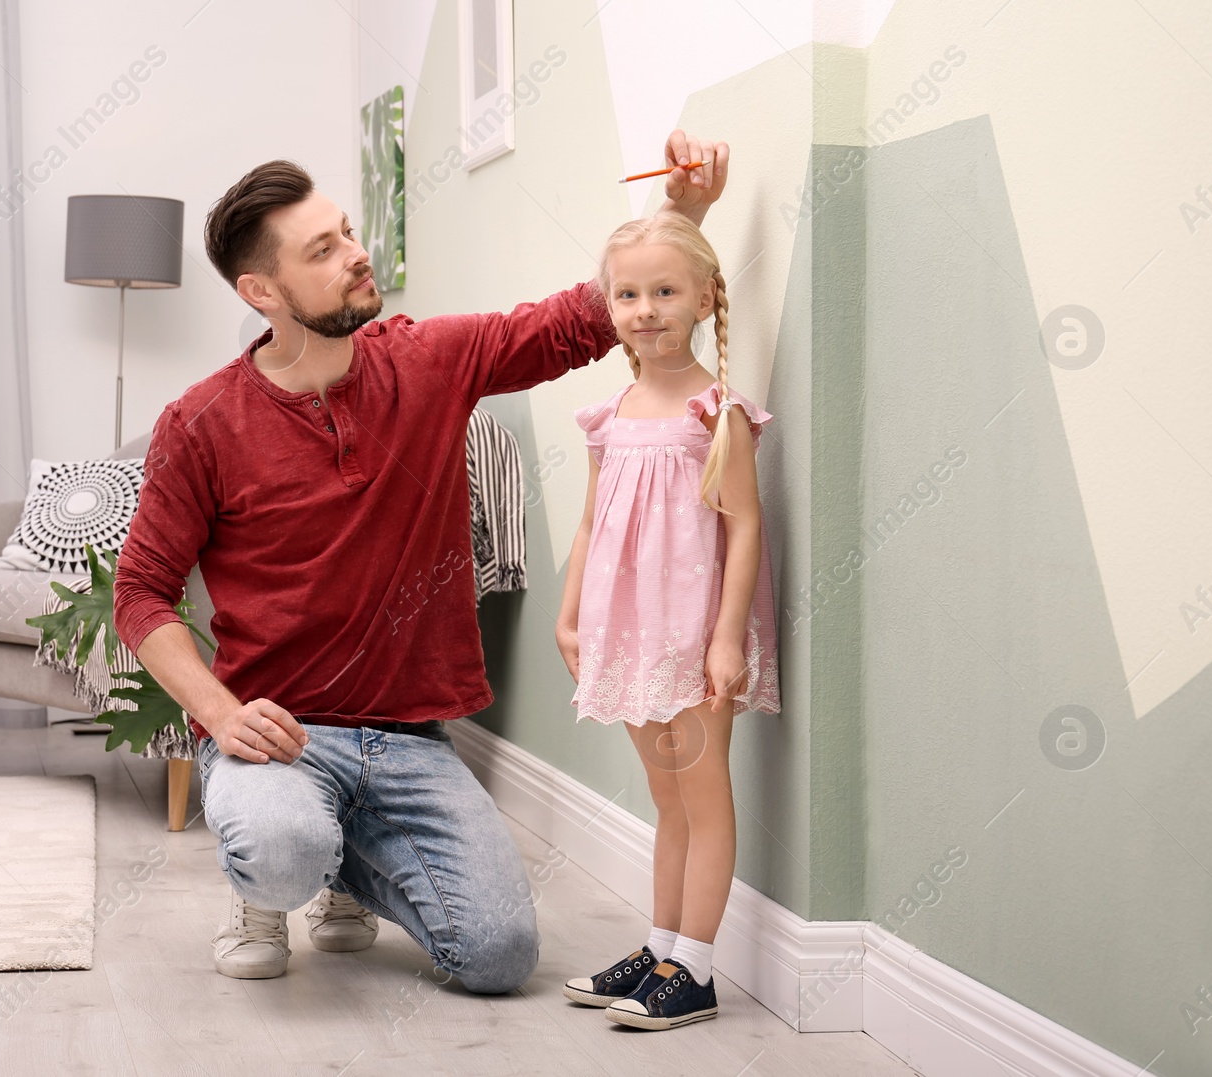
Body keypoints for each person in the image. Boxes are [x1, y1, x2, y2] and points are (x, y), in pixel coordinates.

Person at [111, 133, 730, 992]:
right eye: (322, 250)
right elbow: (139, 592)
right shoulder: (201, 423)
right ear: (263, 292)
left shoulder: (426, 360)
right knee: (283, 850)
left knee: (500, 957)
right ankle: (274, 879)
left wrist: (683, 212)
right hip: (280, 738)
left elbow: (575, 322)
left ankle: (343, 863)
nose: (357, 255)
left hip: (410, 743)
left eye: (348, 233)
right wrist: (217, 712)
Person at [555, 211, 780, 1029]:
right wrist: (572, 613)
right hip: (626, 632)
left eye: (663, 290)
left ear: (704, 300)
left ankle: (700, 965)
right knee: (667, 796)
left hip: (690, 632)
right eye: (627, 293)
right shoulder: (608, 415)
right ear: (608, 306)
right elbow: (589, 524)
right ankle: (661, 947)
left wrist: (726, 637)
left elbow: (745, 524)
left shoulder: (718, 413)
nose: (644, 307)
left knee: (702, 788)